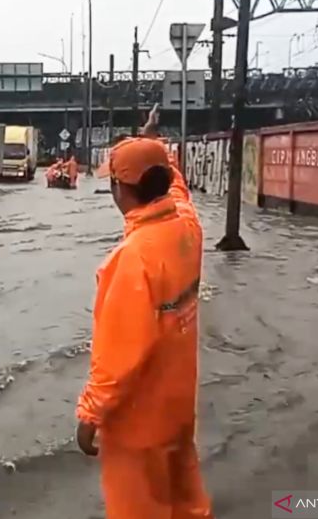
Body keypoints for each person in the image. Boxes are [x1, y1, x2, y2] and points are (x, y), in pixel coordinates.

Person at [75, 105, 214, 519]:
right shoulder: (187, 227)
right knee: (186, 499)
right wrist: (153, 142)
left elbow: (119, 357)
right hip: (177, 407)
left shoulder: (132, 259)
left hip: (137, 426)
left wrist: (89, 414)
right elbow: (179, 191)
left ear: (120, 189)